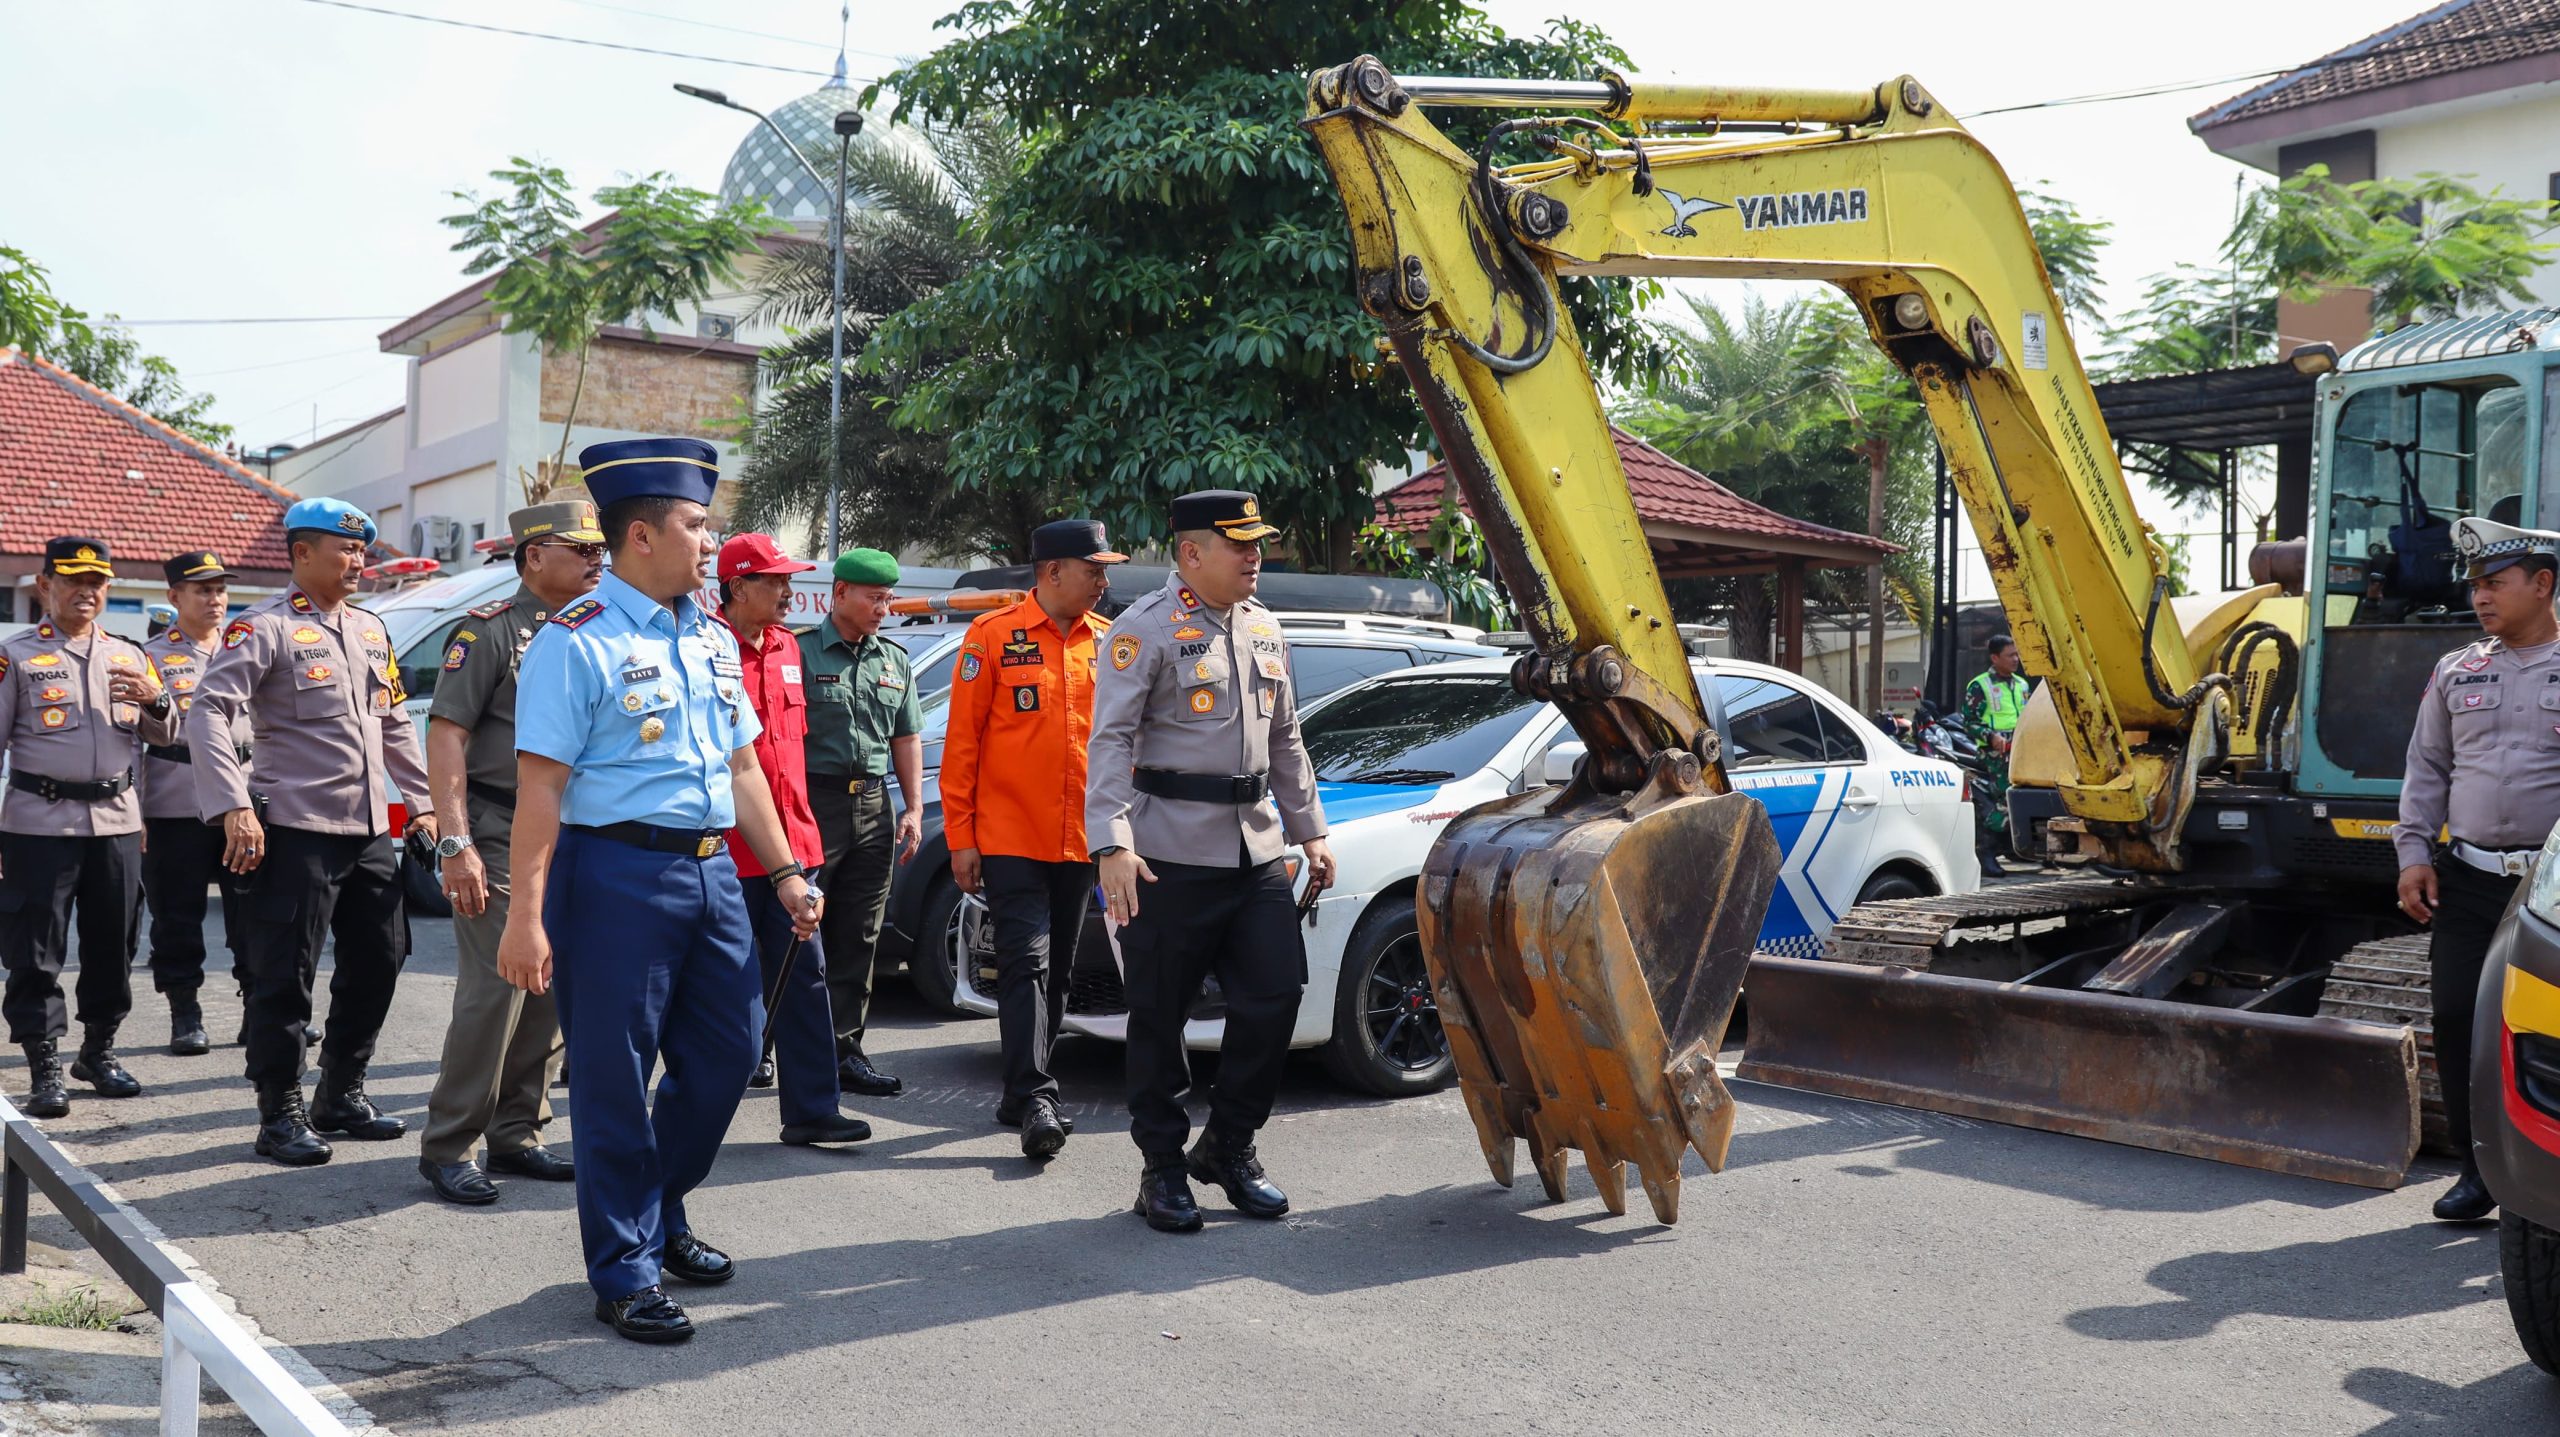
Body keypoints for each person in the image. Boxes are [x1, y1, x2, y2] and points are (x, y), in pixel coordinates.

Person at [498, 437, 821, 1346]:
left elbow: (743, 765)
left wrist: (786, 872)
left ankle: (658, 1205)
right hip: (613, 875)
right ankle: (626, 1269)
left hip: (714, 870)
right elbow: (541, 789)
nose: (710, 541)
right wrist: (525, 915)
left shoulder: (711, 635)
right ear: (641, 535)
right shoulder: (576, 641)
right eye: (696, 525)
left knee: (727, 1058)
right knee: (614, 1077)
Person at [1086, 490, 1335, 1233]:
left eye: (1258, 542)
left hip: (1254, 849)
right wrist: (1112, 844)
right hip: (1165, 855)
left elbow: (1286, 738)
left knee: (1275, 995)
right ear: (1191, 553)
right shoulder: (1143, 630)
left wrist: (1311, 831)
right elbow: (1110, 742)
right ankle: (1162, 1167)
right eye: (1240, 544)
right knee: (1159, 1016)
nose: (1256, 555)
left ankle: (1228, 1145)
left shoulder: (1264, 625)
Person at [189, 497, 437, 1166]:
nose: (357, 561)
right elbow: (209, 710)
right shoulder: (263, 627)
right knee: (285, 973)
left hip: (368, 830)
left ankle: (341, 1091)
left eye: (361, 550)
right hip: (295, 827)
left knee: (382, 956)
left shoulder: (370, 628)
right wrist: (232, 803)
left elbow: (394, 722)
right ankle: (279, 1112)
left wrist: (421, 803)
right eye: (344, 549)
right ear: (302, 553)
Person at [413, 501, 603, 1205]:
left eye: (600, 549)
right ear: (534, 556)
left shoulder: (594, 629)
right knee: (498, 986)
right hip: (498, 823)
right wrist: (455, 840)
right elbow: (446, 735)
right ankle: (450, 1144)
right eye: (580, 549)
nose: (596, 560)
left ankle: (518, 1130)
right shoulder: (489, 632)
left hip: (573, 826)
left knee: (549, 981)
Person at [2393, 515, 2560, 1224]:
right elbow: (2427, 768)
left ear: (2542, 584)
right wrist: (2412, 854)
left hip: (2551, 886)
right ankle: (2479, 1170)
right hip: (2467, 878)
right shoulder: (2457, 669)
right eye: (2475, 585)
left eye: (2496, 583)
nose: (2481, 597)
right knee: (2460, 1018)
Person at [944, 519, 1127, 1158]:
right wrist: (961, 836)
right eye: (1092, 569)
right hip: (1010, 833)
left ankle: (1019, 1092)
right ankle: (1037, 1095)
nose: (1102, 581)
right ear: (1052, 572)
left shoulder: (1108, 641)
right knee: (1025, 960)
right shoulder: (992, 636)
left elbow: (1122, 743)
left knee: (1060, 970)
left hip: (1082, 838)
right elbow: (963, 744)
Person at [1, 538, 177, 1116]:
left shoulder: (130, 654)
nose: (87, 591)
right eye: (73, 580)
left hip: (116, 824)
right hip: (37, 825)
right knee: (35, 950)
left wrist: (157, 699)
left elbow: (165, 735)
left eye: (97, 582)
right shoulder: (16, 656)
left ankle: (98, 1051)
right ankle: (44, 1063)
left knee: (113, 946)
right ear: (44, 586)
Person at [716, 531, 869, 1147]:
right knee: (725, 986)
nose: (787, 591)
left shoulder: (787, 646)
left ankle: (811, 1109)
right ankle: (700, 1109)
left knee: (807, 976)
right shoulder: (706, 647)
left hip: (793, 848)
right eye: (775, 580)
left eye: (788, 579)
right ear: (738, 586)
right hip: (729, 851)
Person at [797, 548, 922, 1099]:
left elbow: (906, 736)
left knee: (860, 935)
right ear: (840, 593)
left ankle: (845, 1050)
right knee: (797, 928)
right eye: (874, 598)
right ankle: (769, 1045)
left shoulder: (893, 659)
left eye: (888, 599)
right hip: (814, 804)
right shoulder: (799, 650)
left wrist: (913, 808)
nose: (882, 609)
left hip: (873, 806)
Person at [136, 551, 248, 1056]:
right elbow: (132, 740)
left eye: (220, 589)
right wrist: (134, 810)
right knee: (177, 917)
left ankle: (260, 1008)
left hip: (244, 801)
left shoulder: (247, 647)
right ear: (174, 596)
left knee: (256, 913)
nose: (215, 599)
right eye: (203, 590)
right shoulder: (149, 656)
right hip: (177, 801)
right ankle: (185, 1013)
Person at [1963, 633, 2031, 873]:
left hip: (2021, 750)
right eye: (2010, 655)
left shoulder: (2022, 685)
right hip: (1995, 754)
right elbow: (1969, 722)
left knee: (2025, 798)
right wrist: (1991, 737)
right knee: (2004, 801)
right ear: (1994, 658)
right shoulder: (1980, 685)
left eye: (2017, 655)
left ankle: (2019, 847)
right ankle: (1986, 852)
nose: (2015, 659)